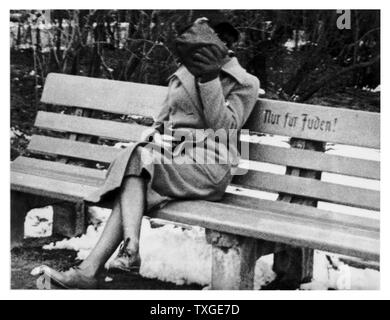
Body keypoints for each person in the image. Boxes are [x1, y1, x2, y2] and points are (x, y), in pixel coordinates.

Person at [35, 17, 260, 289]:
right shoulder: (184, 73)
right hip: (176, 158)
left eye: (216, 41)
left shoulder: (245, 82)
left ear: (227, 46)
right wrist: (155, 139)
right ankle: (111, 259)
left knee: (136, 169)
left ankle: (103, 264)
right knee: (135, 163)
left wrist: (210, 79)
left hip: (211, 164)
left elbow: (225, 127)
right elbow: (163, 120)